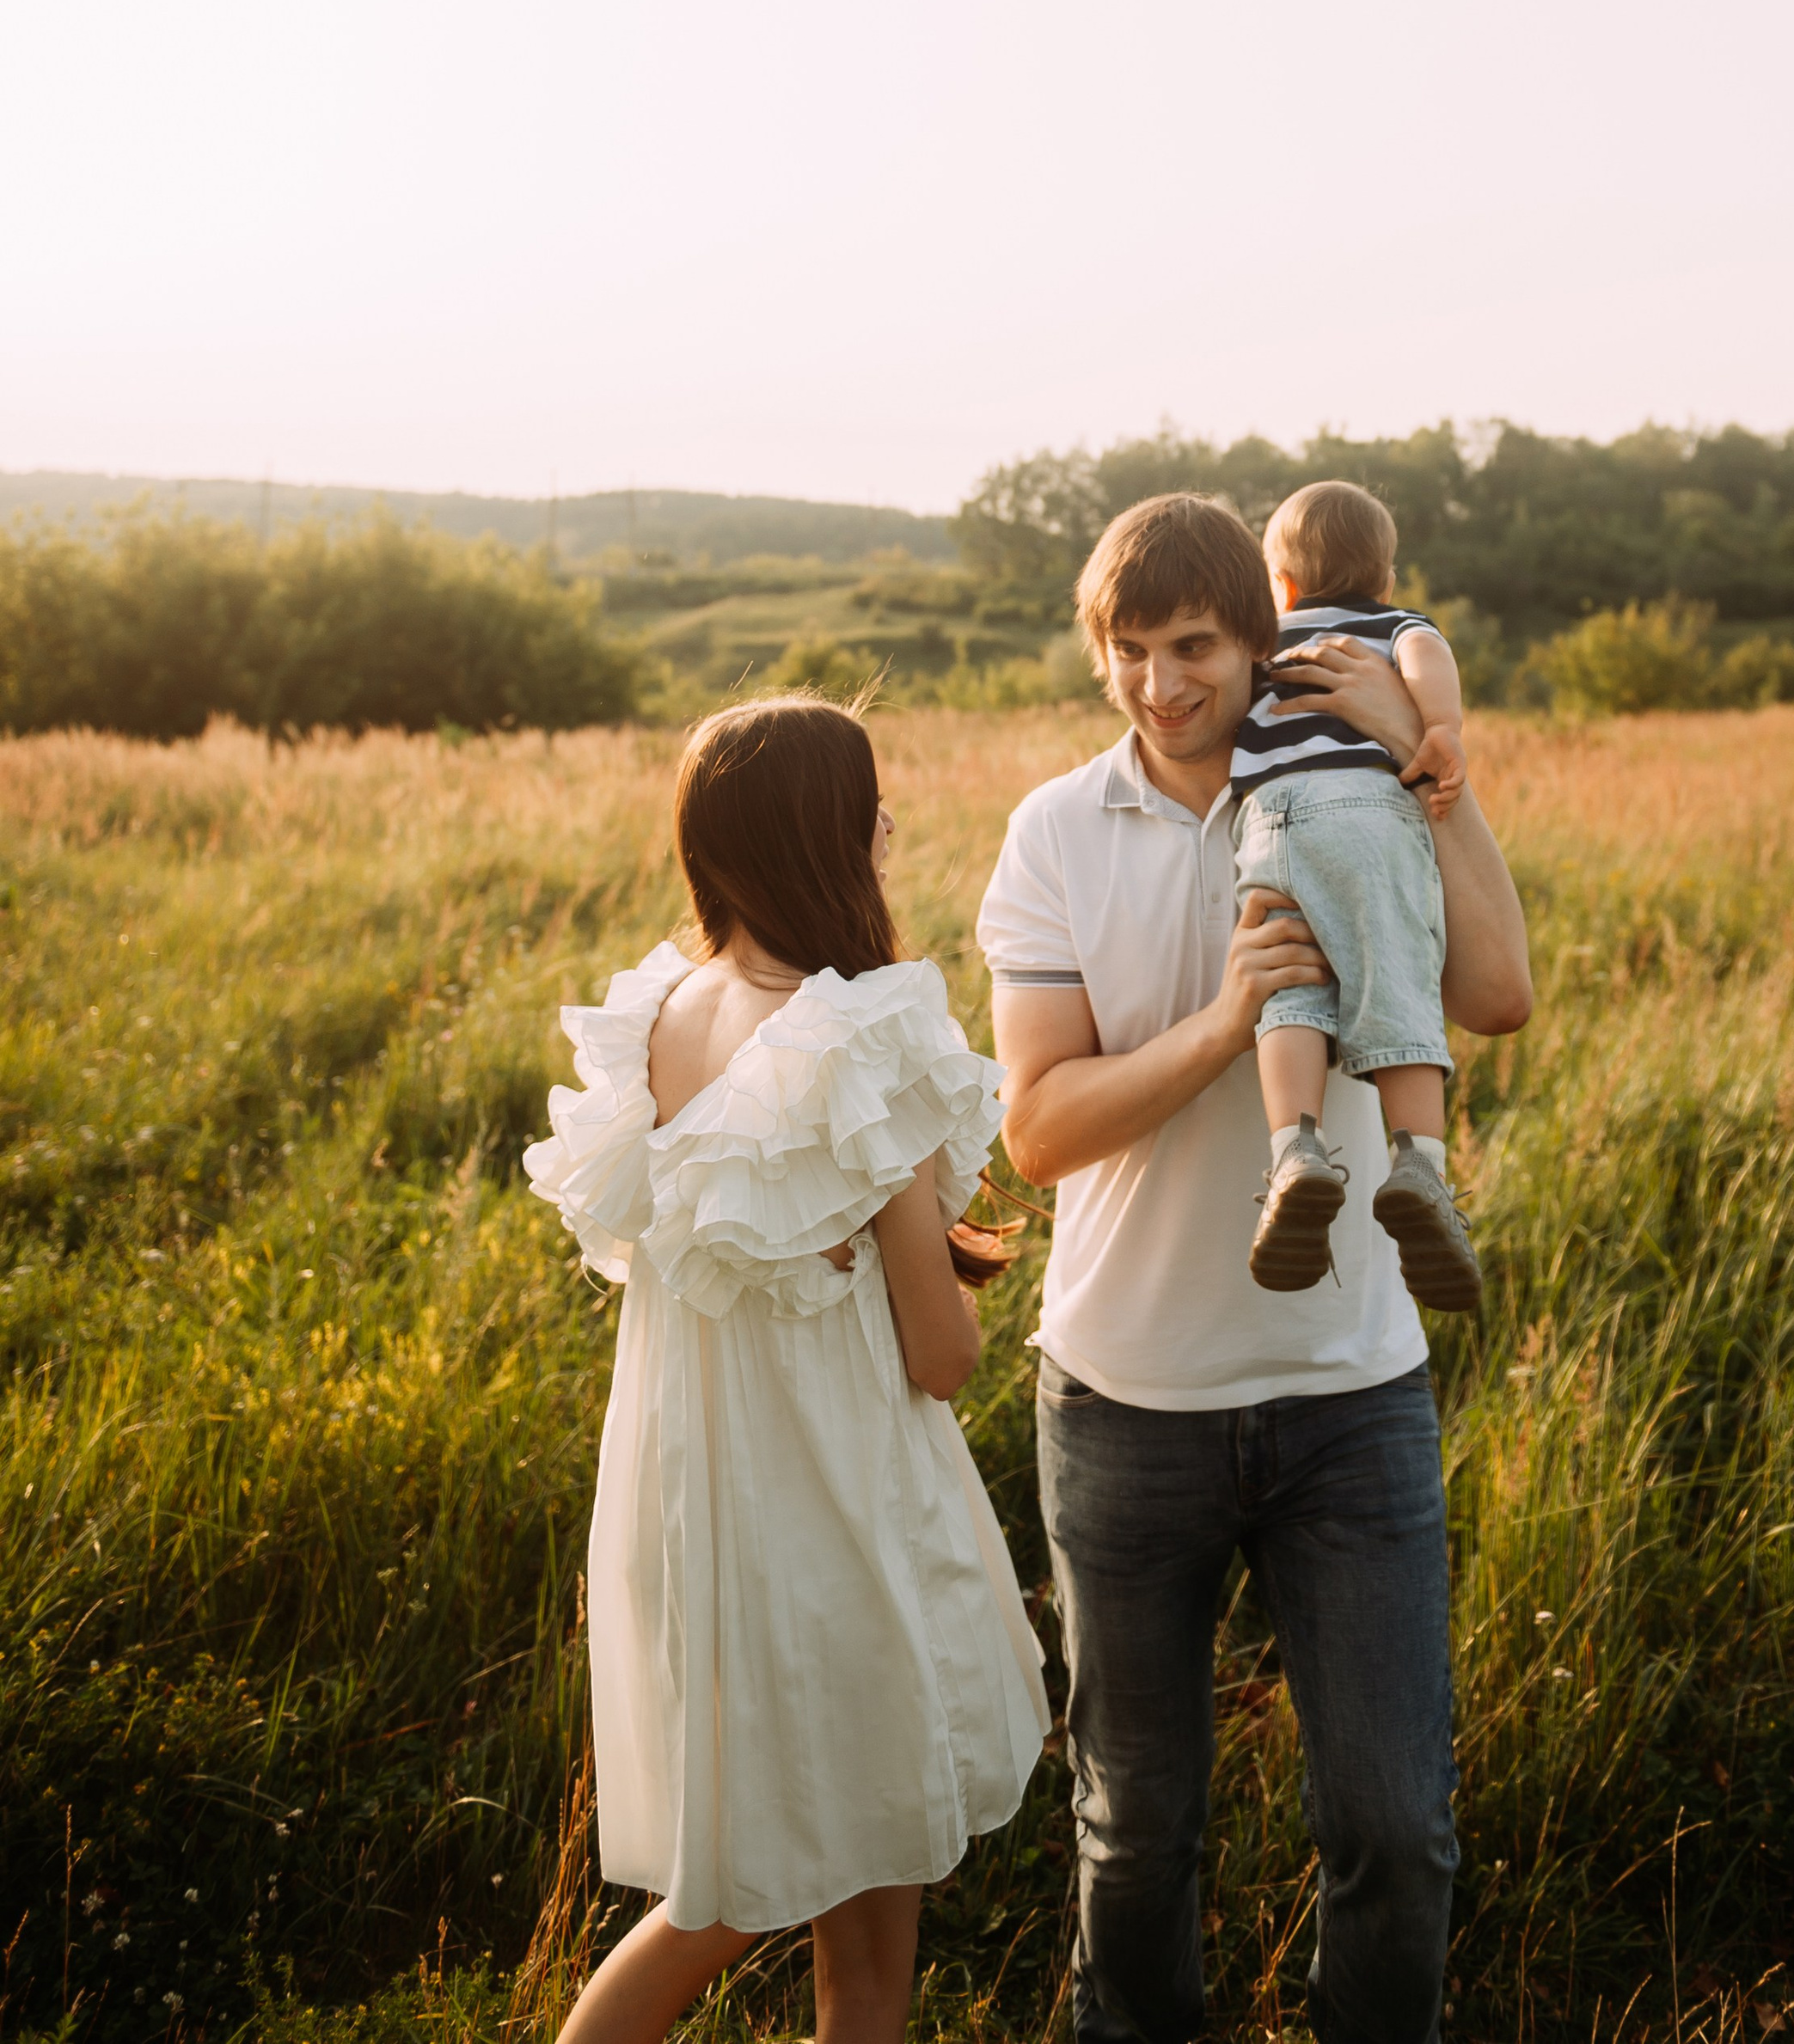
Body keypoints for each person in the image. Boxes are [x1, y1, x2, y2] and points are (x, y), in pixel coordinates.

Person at [979, 493, 1532, 2044]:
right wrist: (1227, 1024)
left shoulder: (1355, 773)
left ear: (1260, 635)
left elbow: (1498, 994)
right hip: (1124, 1401)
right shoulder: (1055, 830)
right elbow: (1037, 1128)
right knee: (1135, 1827)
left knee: (1396, 1829)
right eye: (1131, 650)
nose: (1163, 684)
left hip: (1353, 1395)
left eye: (1195, 647)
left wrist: (1429, 765)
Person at [524, 695, 1048, 2044]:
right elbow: (943, 1352)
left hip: (698, 1519)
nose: (889, 823)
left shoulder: (661, 1010)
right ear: (823, 835)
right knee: (828, 1942)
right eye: (868, 804)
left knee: (726, 1889)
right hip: (835, 1521)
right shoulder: (848, 1036)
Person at [1233, 478, 1483, 1308]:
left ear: (1282, 584)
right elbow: (1426, 657)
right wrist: (1439, 727)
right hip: (1368, 809)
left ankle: (1294, 1151)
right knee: (1396, 971)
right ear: (1385, 576)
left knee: (1289, 983)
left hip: (1270, 815)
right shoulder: (1392, 624)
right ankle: (1420, 1166)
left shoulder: (1265, 638)